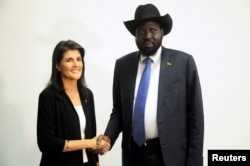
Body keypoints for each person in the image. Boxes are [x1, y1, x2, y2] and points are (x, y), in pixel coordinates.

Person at [102, 3, 204, 166]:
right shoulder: (123, 65)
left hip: (171, 156)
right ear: (135, 35)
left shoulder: (183, 63)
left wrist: (194, 161)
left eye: (153, 30)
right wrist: (108, 137)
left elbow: (195, 118)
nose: (147, 35)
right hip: (134, 154)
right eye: (142, 31)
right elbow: (119, 111)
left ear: (162, 31)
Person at [37, 40, 110, 166]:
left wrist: (97, 159)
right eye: (69, 60)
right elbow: (46, 143)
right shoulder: (48, 97)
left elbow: (91, 135)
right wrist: (88, 143)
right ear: (58, 66)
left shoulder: (88, 95)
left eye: (79, 59)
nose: (76, 64)